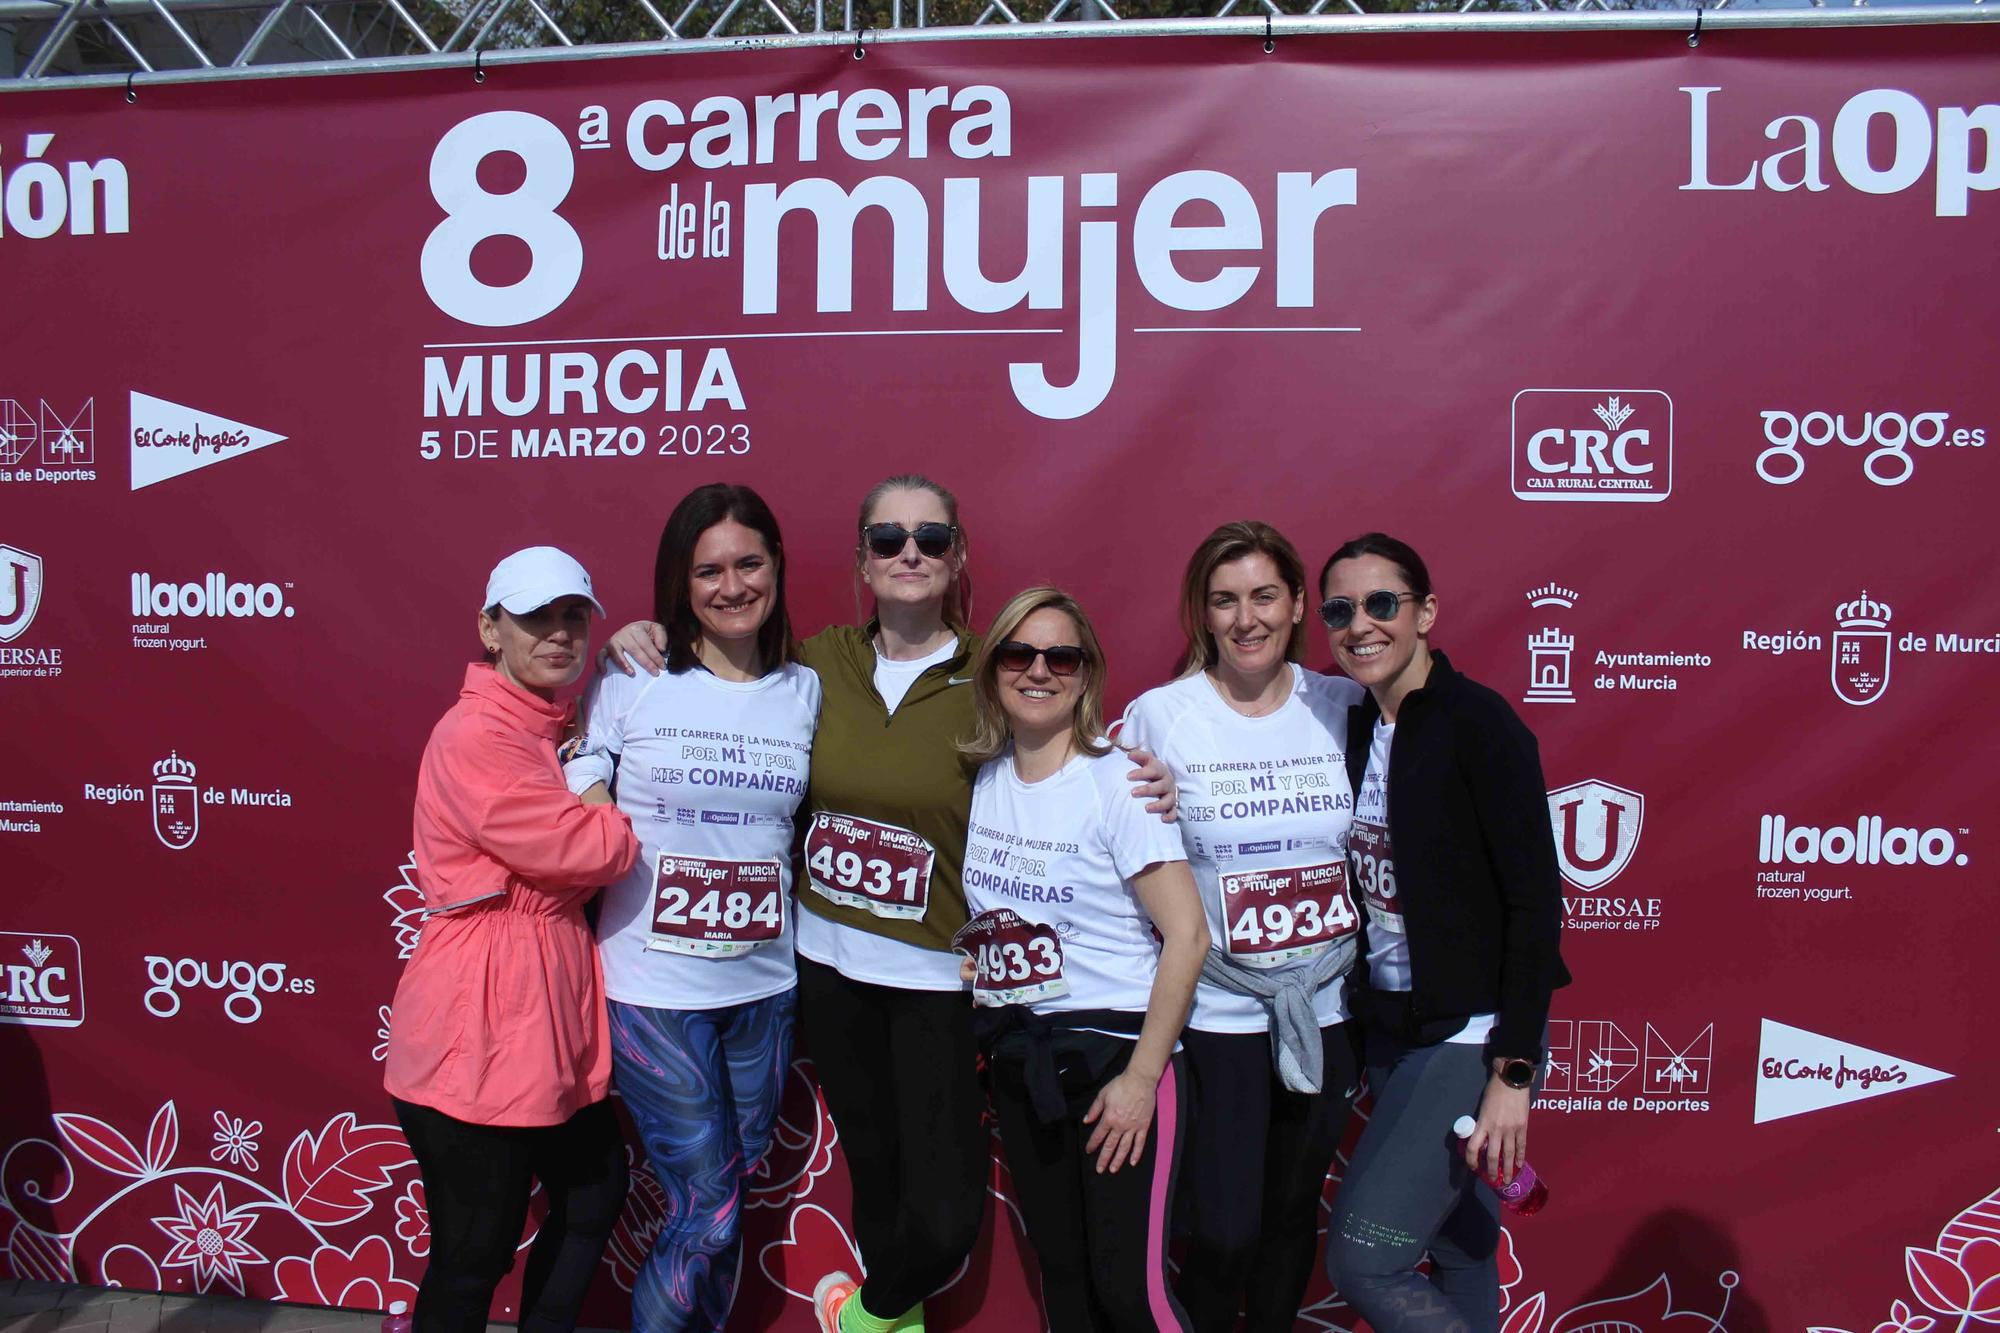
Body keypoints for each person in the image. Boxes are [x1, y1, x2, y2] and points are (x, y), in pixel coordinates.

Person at [602, 473, 1176, 1333]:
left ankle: (861, 1314)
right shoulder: (815, 667)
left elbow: (1066, 737)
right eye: (888, 539)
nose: (910, 553)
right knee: (875, 1190)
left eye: (932, 538)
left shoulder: (994, 672)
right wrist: (641, 632)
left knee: (943, 1216)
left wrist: (1145, 772)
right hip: (824, 975)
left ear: (959, 558)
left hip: (939, 985)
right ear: (862, 561)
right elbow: (715, 670)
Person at [561, 486, 819, 1333]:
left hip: (763, 992)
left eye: (749, 562)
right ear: (681, 580)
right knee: (705, 1207)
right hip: (651, 989)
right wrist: (608, 823)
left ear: (777, 567)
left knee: (725, 1200)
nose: (731, 584)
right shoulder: (634, 674)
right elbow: (574, 762)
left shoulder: (807, 690)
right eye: (708, 569)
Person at [384, 545, 640, 1333]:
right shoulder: (477, 733)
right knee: (474, 1249)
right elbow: (596, 849)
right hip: (479, 1017)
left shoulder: (552, 721)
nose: (559, 634)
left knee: (595, 1191)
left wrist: (634, 649)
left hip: (543, 1003)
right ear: (490, 629)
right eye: (535, 618)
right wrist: (598, 786)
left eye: (575, 617)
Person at [1318, 533, 1570, 1333]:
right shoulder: (1356, 726)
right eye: (1340, 609)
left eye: (1382, 603)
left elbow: (1536, 905)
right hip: (1392, 1031)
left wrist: (1514, 1069)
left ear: (1425, 612)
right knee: (1460, 1248)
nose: (1361, 624)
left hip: (1471, 1036)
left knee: (1366, 1260)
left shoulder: (1480, 725)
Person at [1121, 521, 1366, 1333]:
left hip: (1325, 1012)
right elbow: (1106, 839)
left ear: (1298, 604)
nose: (1245, 617)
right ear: (1201, 614)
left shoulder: (1346, 706)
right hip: (1216, 1013)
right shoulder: (1159, 716)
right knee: (1223, 1230)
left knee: (1294, 1218)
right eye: (1223, 600)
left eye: (1264, 595)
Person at [954, 587, 1208, 1333]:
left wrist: (1140, 1078)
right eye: (1018, 652)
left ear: (1087, 672)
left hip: (1117, 1062)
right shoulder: (988, 775)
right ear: (994, 666)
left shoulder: (1119, 782)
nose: (1039, 669)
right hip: (1024, 1061)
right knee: (1064, 1283)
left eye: (1060, 655)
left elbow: (1187, 936)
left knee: (1132, 1294)